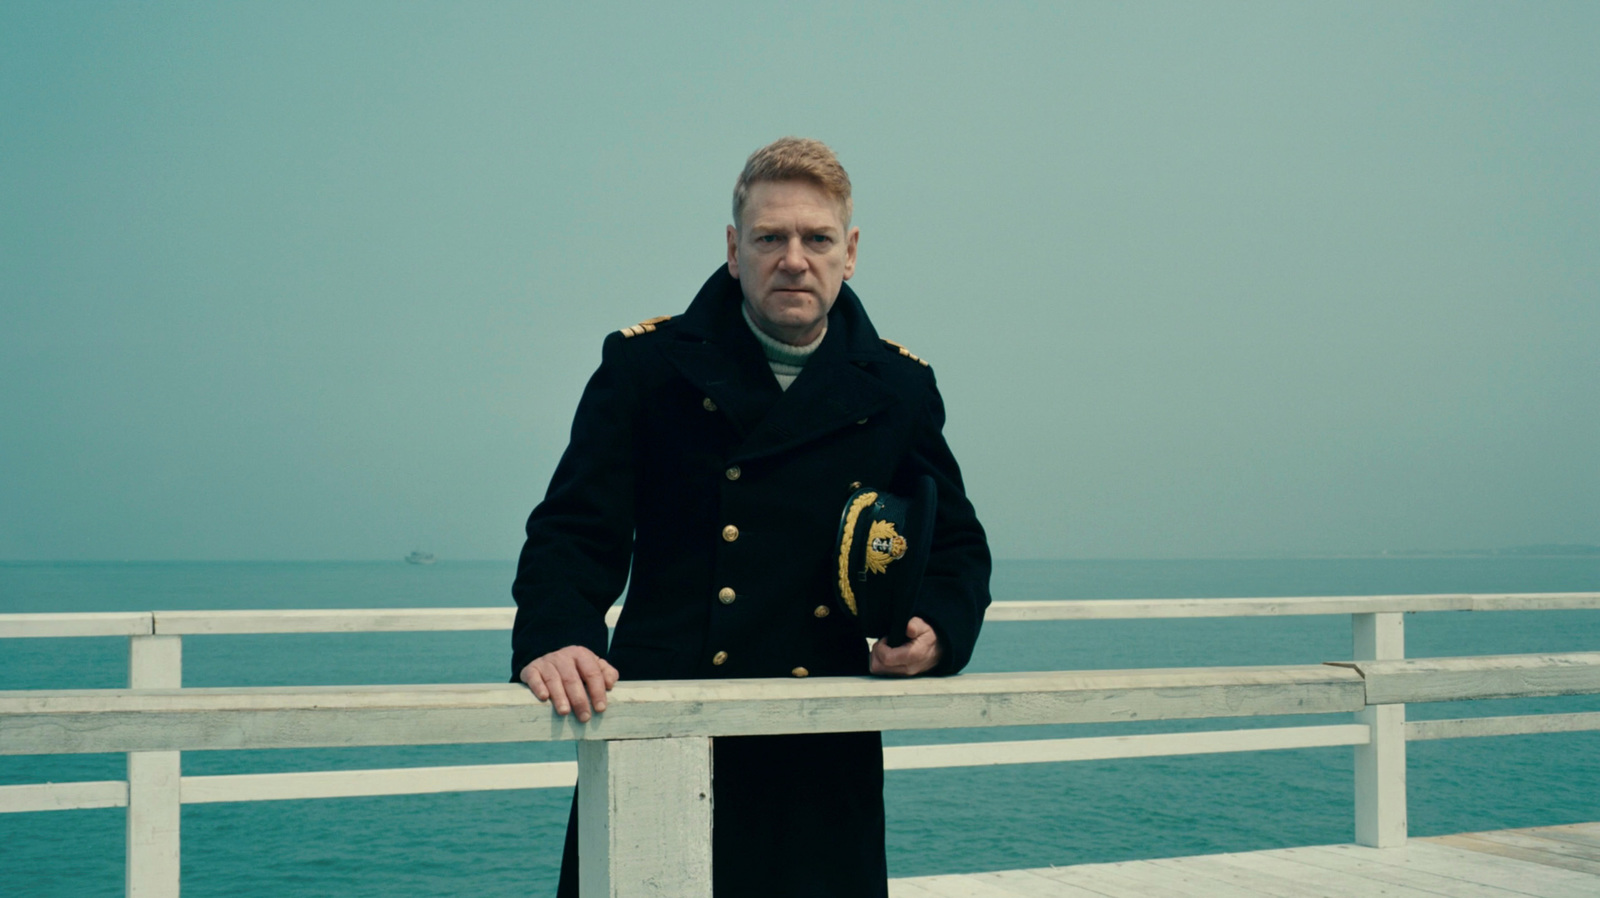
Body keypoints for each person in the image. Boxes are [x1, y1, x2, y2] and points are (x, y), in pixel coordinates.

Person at [511, 137, 991, 898]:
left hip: (819, 742)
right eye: (770, 238)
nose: (793, 258)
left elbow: (957, 545)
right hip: (662, 729)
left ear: (851, 252)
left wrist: (937, 627)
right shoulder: (648, 367)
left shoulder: (898, 386)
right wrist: (558, 636)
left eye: (816, 238)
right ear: (734, 250)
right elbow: (574, 529)